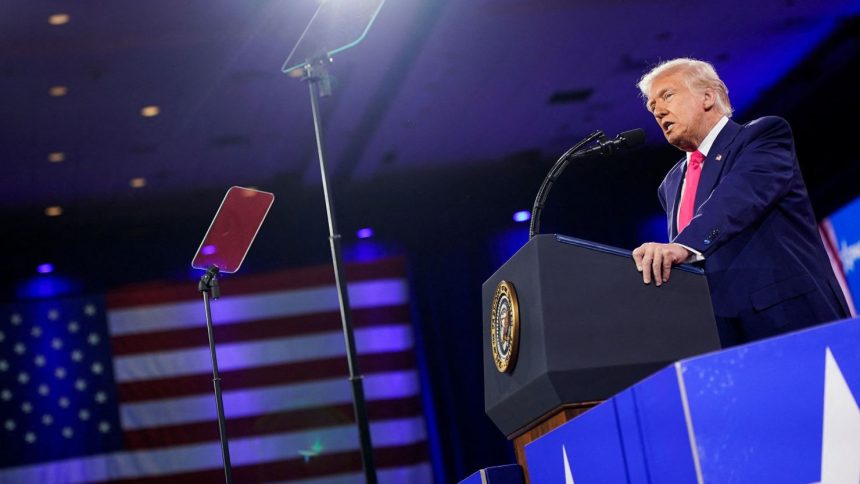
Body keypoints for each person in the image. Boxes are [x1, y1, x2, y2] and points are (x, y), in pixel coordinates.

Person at [631, 58, 850, 346]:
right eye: (652, 107)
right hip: (720, 337)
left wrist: (682, 246)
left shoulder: (761, 136)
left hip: (788, 319)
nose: (658, 111)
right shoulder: (671, 184)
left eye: (667, 96)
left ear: (708, 96)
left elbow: (738, 197)